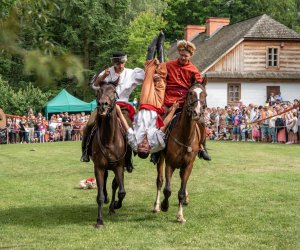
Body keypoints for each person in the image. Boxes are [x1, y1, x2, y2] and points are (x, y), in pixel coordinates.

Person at [81, 52, 145, 173]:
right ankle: (85, 151)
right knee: (89, 124)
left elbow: (147, 77)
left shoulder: (132, 73)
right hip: (104, 105)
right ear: (113, 62)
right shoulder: (106, 72)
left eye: (122, 63)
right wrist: (103, 77)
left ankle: (128, 159)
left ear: (125, 62)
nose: (120, 65)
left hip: (123, 106)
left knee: (129, 128)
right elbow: (94, 86)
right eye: (117, 63)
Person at [162, 39, 211, 161]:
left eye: (186, 56)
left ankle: (202, 147)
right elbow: (161, 76)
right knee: (160, 118)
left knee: (200, 120)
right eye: (182, 55)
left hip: (186, 102)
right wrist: (158, 76)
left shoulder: (193, 70)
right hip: (169, 100)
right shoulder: (169, 65)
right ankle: (157, 148)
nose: (184, 58)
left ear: (190, 56)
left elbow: (198, 86)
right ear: (179, 53)